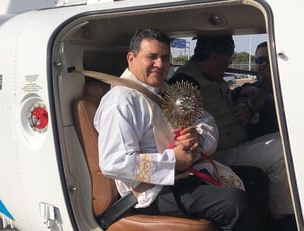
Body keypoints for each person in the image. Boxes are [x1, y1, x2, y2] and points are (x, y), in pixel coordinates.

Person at [94, 28, 263, 230]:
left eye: (165, 58)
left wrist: (198, 138)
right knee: (233, 203)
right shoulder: (121, 101)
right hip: (154, 190)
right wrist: (174, 161)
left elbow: (207, 122)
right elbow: (114, 162)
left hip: (188, 174)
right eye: (152, 57)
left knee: (255, 178)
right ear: (131, 58)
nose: (160, 64)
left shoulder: (168, 91)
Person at [168, 35, 295, 231]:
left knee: (291, 140)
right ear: (216, 56)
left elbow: (226, 103)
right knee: (282, 153)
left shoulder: (216, 80)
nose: (230, 63)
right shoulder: (185, 84)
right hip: (217, 156)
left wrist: (245, 105)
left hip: (237, 144)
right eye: (229, 57)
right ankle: (281, 221)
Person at [232, 42, 278, 140]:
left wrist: (262, 98)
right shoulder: (248, 88)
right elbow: (231, 96)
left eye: (269, 60)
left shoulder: (288, 92)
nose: (264, 64)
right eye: (259, 60)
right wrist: (243, 104)